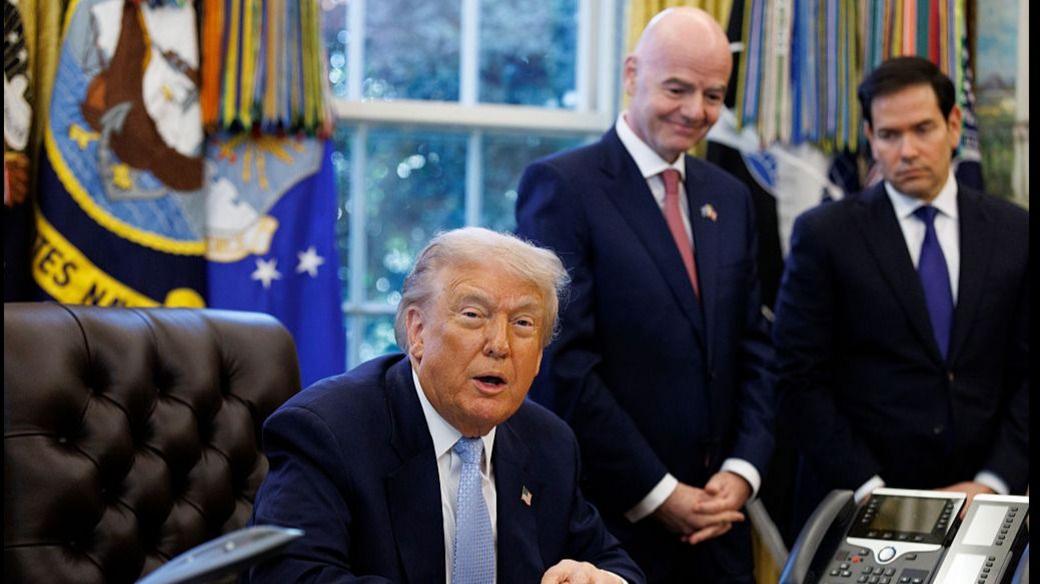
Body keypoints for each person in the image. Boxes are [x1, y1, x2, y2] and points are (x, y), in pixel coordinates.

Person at [514, 7, 775, 582]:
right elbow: (564, 365)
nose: (695, 110)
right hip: (613, 529)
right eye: (677, 88)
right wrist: (659, 492)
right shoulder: (563, 186)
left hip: (722, 527)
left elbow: (755, 347)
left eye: (713, 95)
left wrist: (743, 470)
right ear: (632, 74)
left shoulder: (731, 197)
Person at [247, 227, 645, 583]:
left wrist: (598, 579)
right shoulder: (328, 432)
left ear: (540, 356)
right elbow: (290, 575)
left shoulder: (549, 443)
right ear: (417, 331)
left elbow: (614, 564)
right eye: (473, 315)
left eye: (523, 323)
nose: (500, 345)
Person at [772, 56, 1029, 532]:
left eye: (922, 129)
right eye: (889, 135)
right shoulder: (825, 235)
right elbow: (797, 380)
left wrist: (993, 482)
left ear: (954, 125)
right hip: (857, 507)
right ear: (870, 138)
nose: (907, 150)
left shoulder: (1015, 232)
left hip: (985, 509)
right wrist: (873, 492)